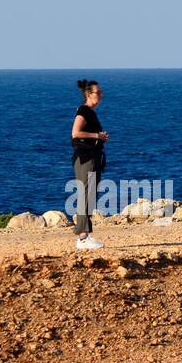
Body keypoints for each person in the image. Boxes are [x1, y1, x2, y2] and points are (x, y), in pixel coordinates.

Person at [71, 79, 108, 249]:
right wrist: (97, 136)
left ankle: (84, 235)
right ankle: (83, 237)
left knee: (89, 195)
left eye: (101, 92)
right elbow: (75, 132)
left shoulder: (91, 112)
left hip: (92, 158)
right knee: (85, 195)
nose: (101, 95)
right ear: (88, 94)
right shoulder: (84, 111)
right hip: (85, 159)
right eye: (98, 93)